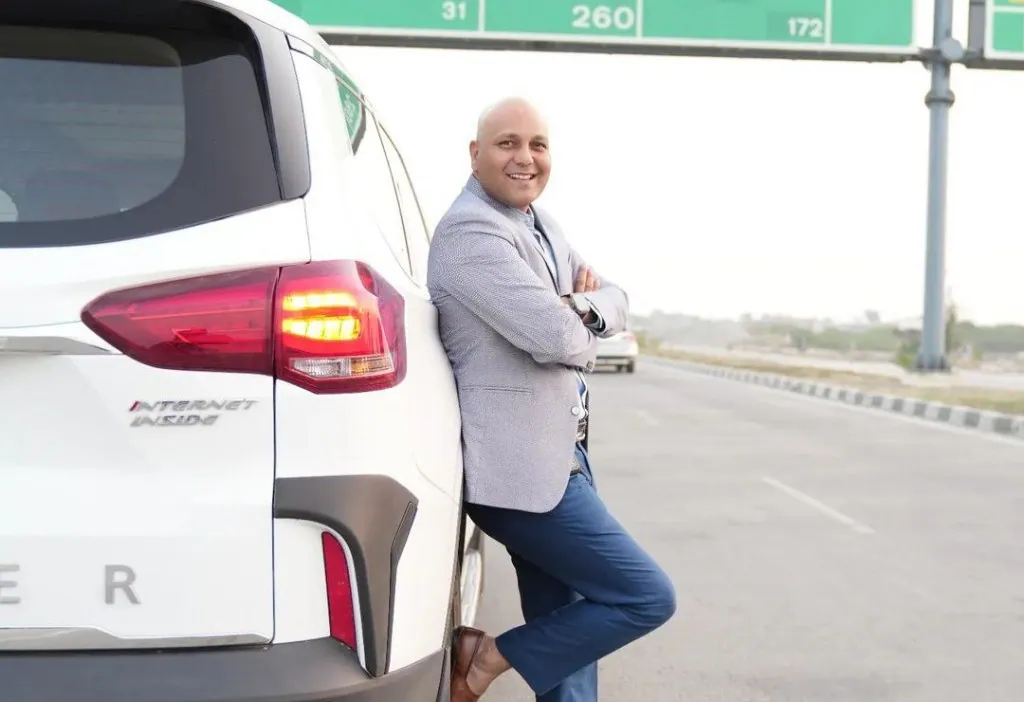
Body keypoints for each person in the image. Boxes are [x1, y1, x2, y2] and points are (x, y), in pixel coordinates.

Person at [426, 96, 676, 702]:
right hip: (520, 477)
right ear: (475, 153)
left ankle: (500, 662)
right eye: (508, 143)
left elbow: (615, 297)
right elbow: (559, 339)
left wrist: (583, 307)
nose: (525, 158)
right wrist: (575, 320)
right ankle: (485, 659)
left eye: (537, 145)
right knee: (644, 595)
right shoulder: (471, 233)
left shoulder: (541, 225)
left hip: (561, 458)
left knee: (570, 631)